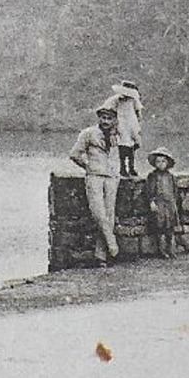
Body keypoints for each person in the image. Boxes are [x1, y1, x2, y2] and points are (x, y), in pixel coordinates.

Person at [69, 104, 122, 262]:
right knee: (98, 213)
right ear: (99, 118)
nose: (106, 121)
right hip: (94, 176)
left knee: (109, 214)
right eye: (103, 118)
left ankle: (101, 255)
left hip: (112, 177)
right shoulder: (89, 133)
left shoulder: (117, 136)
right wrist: (87, 165)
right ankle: (112, 244)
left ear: (114, 120)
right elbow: (74, 153)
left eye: (109, 118)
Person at [144, 146, 181, 258]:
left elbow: (175, 191)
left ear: (168, 163)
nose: (160, 164)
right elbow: (148, 191)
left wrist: (174, 204)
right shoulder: (152, 176)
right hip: (159, 205)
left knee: (170, 228)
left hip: (169, 205)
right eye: (158, 162)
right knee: (159, 228)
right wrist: (151, 202)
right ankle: (162, 251)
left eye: (163, 161)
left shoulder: (171, 177)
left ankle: (171, 249)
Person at [111, 80, 144, 177]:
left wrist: (137, 124)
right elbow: (112, 110)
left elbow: (138, 112)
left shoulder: (134, 100)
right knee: (122, 147)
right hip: (121, 124)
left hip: (131, 124)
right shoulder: (117, 99)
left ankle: (131, 167)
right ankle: (123, 168)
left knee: (132, 147)